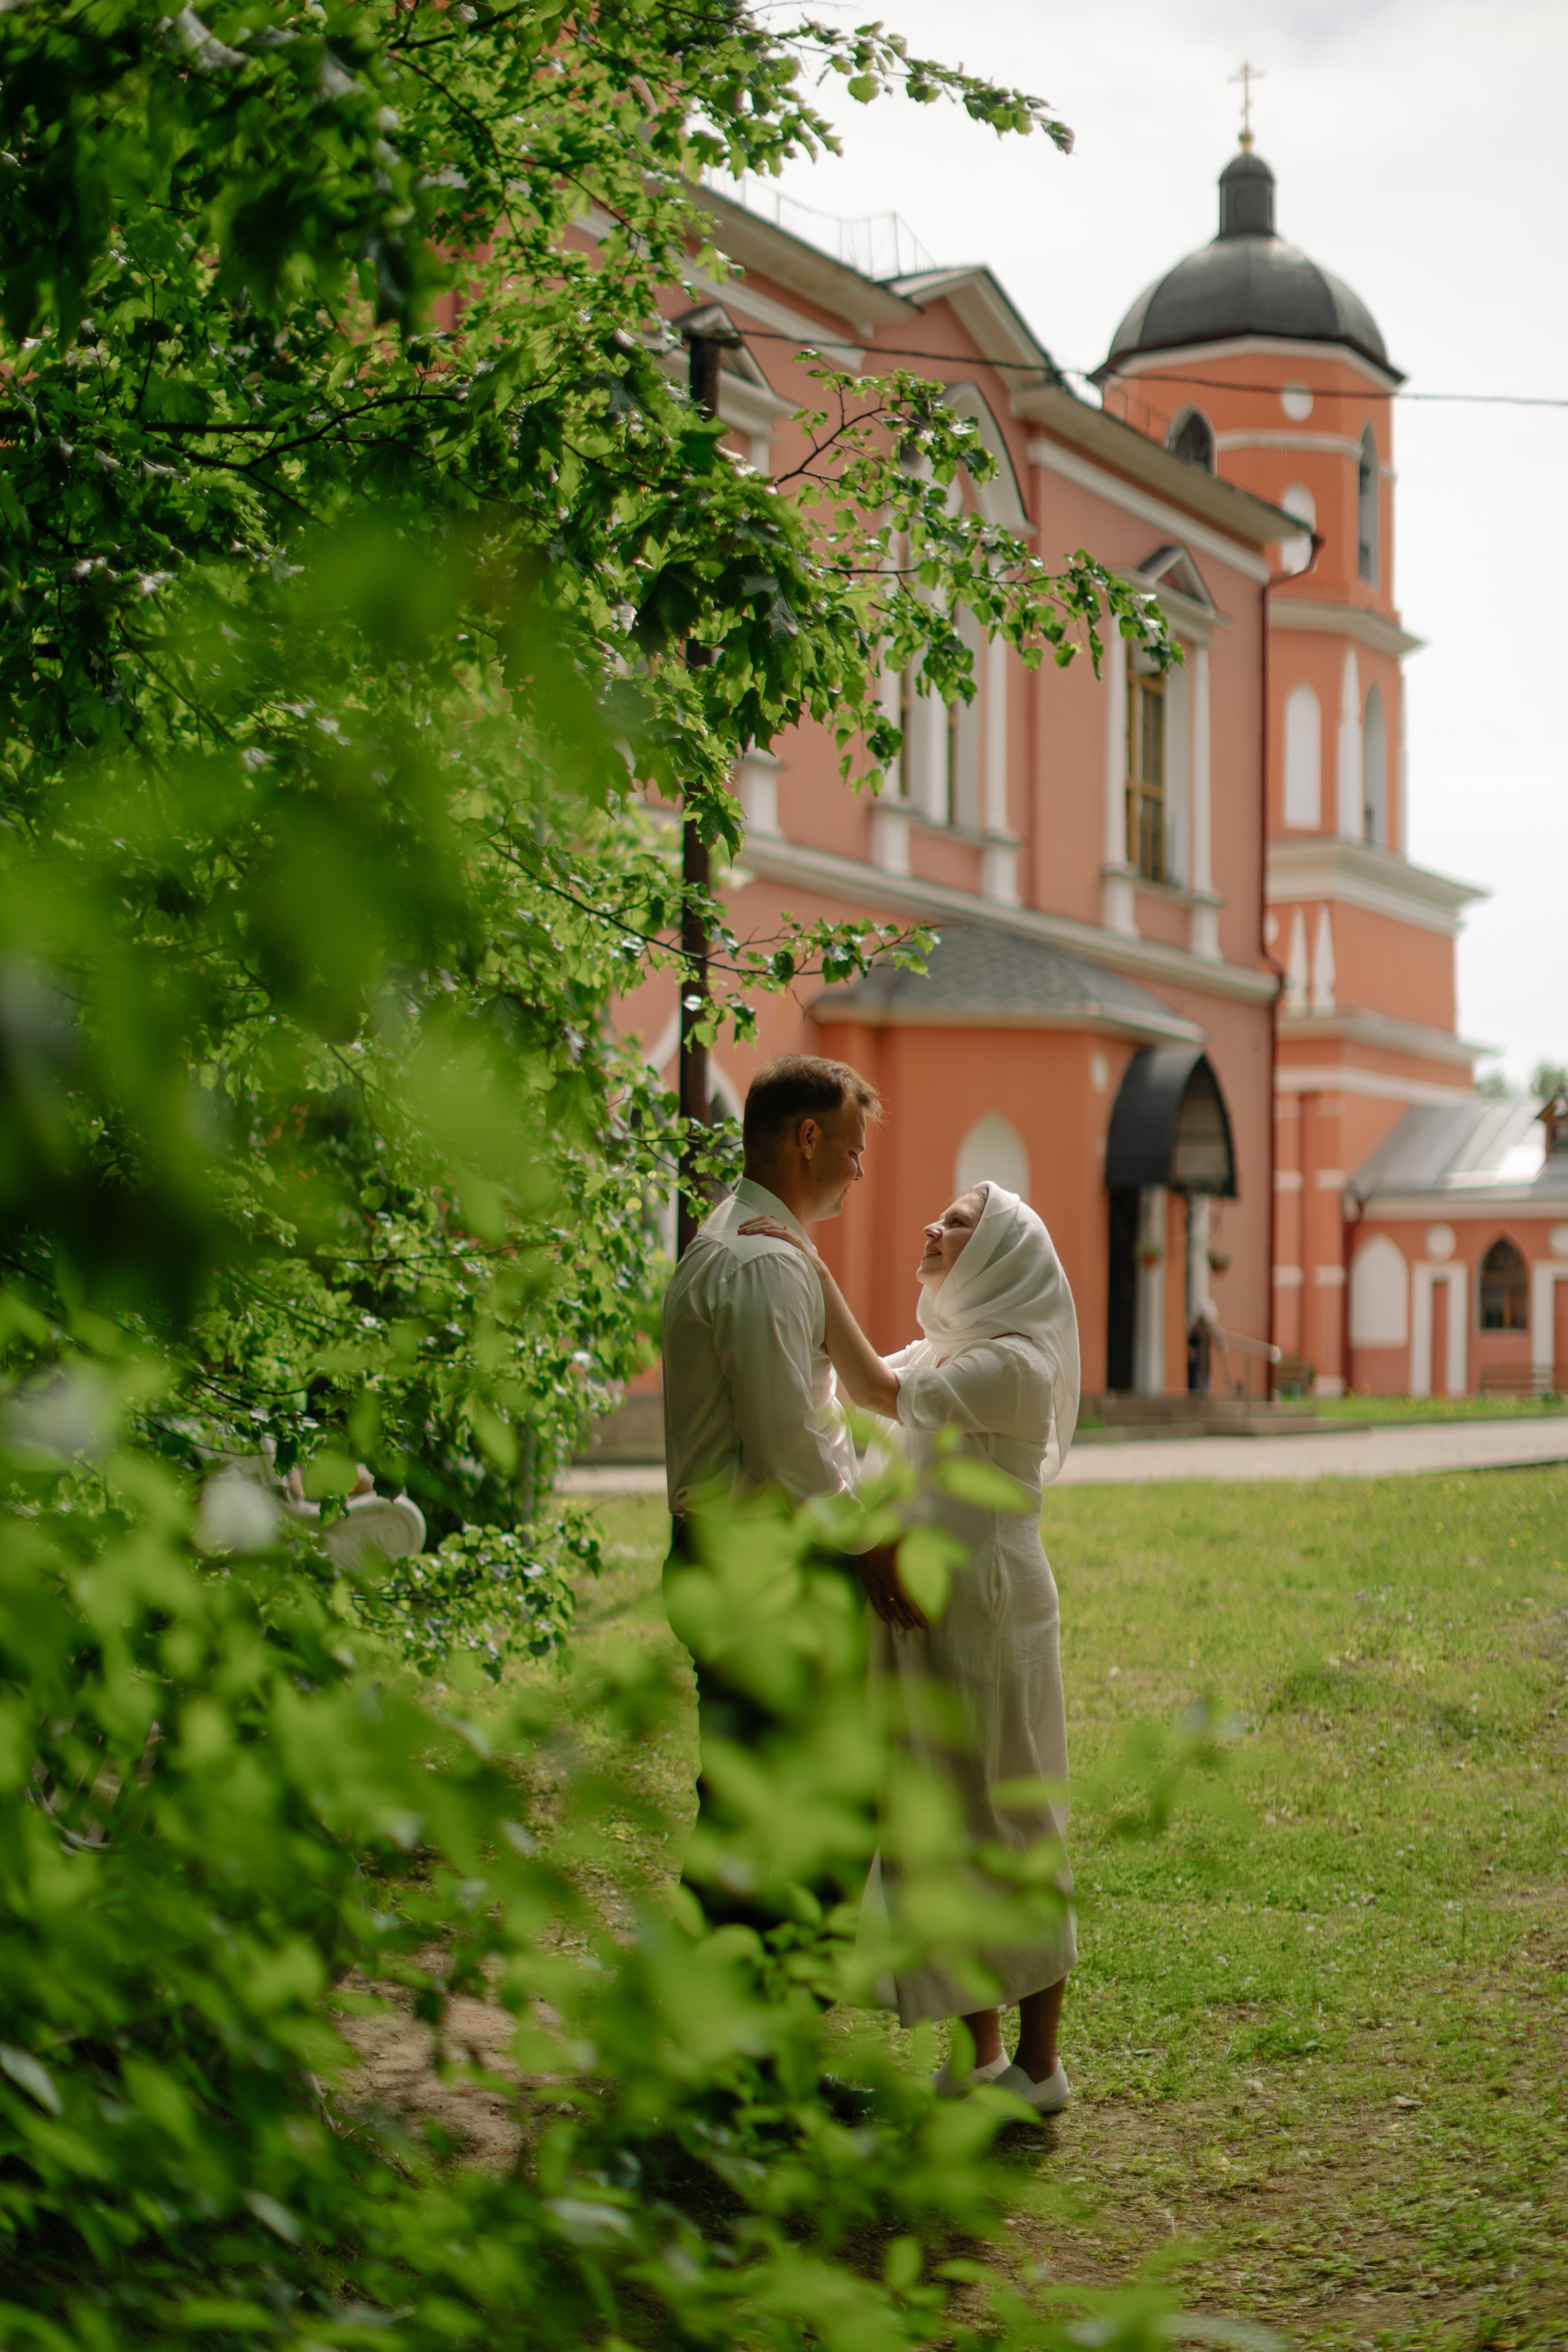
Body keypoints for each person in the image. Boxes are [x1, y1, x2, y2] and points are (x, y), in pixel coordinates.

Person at [739, 1179, 1080, 2118]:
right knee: (938, 1822)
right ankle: (979, 2055)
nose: (933, 1225)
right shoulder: (944, 1350)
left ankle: (1040, 2067)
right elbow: (841, 1396)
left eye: (957, 1223)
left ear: (1001, 1256)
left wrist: (806, 1265)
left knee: (1007, 1819)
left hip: (990, 1612)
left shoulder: (1018, 1364)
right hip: (925, 1614)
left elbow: (876, 1393)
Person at [661, 1054, 924, 1931]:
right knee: (821, 1810)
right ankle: (768, 2008)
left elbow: (842, 1395)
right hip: (762, 1567)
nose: (859, 1172)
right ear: (807, 1139)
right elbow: (789, 1447)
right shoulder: (764, 1265)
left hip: (725, 1554)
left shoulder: (742, 1237)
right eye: (853, 1150)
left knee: (746, 1806)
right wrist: (869, 1542)